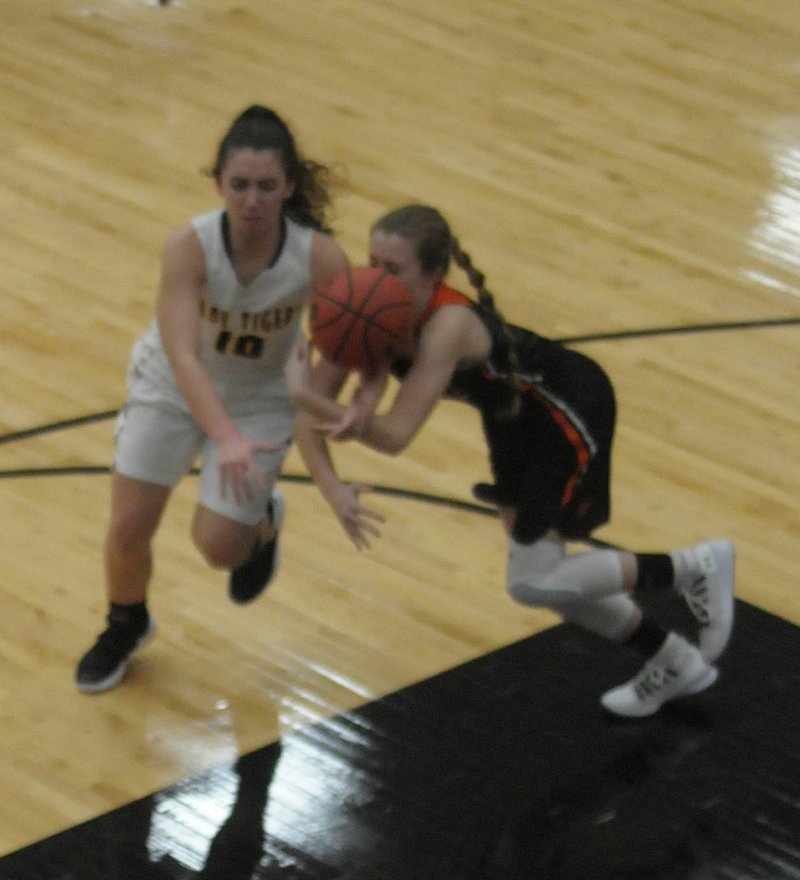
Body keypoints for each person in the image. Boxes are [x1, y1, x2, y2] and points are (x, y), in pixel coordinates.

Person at [284, 204, 735, 719]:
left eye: (393, 269)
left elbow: (393, 435)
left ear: (434, 275)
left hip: (566, 407)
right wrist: (332, 480)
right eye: (373, 261)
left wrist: (306, 395)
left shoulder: (447, 325)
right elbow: (356, 397)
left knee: (531, 582)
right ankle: (675, 660)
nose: (376, 277)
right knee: (549, 580)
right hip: (512, 422)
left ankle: (691, 568)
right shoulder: (377, 310)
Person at [76, 105, 348, 693]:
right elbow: (183, 355)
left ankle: (262, 527)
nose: (252, 200)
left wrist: (315, 398)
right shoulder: (190, 246)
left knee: (219, 549)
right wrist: (223, 437)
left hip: (261, 398)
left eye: (267, 187)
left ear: (289, 188)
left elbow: (352, 344)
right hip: (172, 386)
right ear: (219, 184)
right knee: (128, 525)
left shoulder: (319, 257)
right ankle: (125, 623)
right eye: (240, 185)